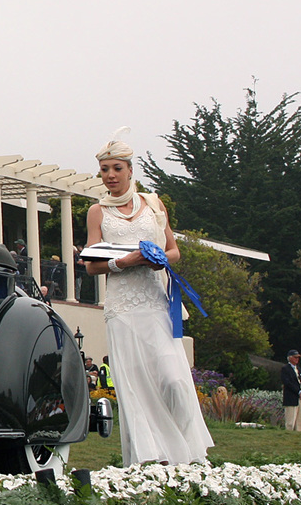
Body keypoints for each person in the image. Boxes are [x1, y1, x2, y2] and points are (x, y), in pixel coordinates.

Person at [85, 135, 212, 464]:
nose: (110, 175)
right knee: (135, 387)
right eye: (104, 170)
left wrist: (159, 259)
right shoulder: (97, 212)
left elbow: (174, 250)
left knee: (173, 379)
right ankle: (149, 460)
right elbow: (90, 264)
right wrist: (123, 262)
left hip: (156, 302)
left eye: (116, 168)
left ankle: (187, 454)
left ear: (129, 170)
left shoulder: (153, 204)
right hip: (123, 308)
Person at [281, 350, 301, 431]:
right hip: (291, 398)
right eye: (295, 357)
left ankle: (300, 435)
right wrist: (298, 392)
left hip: (300, 398)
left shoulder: (299, 369)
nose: (297, 359)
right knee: (290, 421)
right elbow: (287, 383)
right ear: (290, 358)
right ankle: (289, 434)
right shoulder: (285, 369)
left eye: (298, 357)